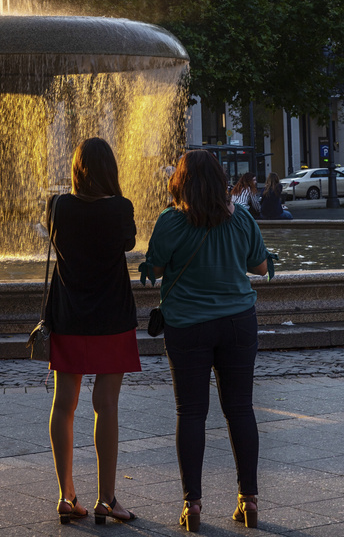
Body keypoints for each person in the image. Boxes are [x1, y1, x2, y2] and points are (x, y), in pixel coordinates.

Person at [141, 150, 270, 532]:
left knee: (191, 413)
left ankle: (192, 506)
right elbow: (260, 267)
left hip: (188, 326)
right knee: (241, 409)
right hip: (237, 323)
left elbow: (157, 267)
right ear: (220, 180)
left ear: (181, 181)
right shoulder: (242, 218)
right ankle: (248, 501)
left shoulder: (170, 221)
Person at [46, 137, 140, 525]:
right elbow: (129, 242)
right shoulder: (120, 209)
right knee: (107, 405)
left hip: (69, 316)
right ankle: (106, 499)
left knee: (63, 404)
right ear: (109, 170)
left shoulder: (58, 206)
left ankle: (67, 496)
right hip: (111, 318)